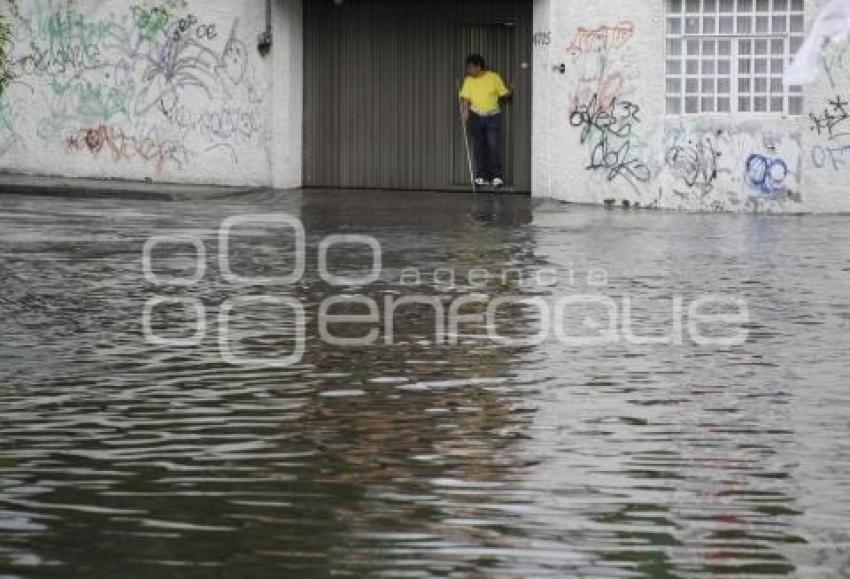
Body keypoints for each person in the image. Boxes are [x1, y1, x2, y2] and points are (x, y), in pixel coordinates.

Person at [459, 54, 511, 189]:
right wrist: (465, 112)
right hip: (476, 116)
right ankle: (481, 177)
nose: (468, 70)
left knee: (493, 146)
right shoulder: (469, 80)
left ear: (478, 67)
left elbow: (504, 93)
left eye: (470, 67)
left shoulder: (494, 77)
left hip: (492, 116)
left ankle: (496, 177)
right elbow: (464, 98)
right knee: (479, 147)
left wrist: (509, 91)